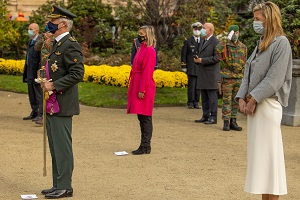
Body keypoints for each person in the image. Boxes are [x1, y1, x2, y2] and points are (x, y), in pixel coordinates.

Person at [235, 2, 292, 200]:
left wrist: (254, 99)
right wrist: (241, 97)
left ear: (269, 19)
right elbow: (247, 74)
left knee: (270, 161)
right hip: (256, 107)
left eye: (258, 19)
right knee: (261, 162)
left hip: (267, 106)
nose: (255, 22)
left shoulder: (281, 43)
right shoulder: (261, 43)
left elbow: (274, 79)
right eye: (254, 18)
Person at [39, 5, 84, 198]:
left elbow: (77, 73)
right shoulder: (58, 43)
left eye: (53, 21)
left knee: (62, 146)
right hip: (53, 103)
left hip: (62, 102)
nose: (49, 23)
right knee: (55, 145)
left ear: (63, 23)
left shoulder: (70, 44)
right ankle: (58, 183)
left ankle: (65, 186)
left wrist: (54, 85)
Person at [127, 25, 156, 155]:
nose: (139, 35)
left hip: (144, 85)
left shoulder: (150, 50)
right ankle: (144, 144)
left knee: (145, 117)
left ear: (147, 35)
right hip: (138, 82)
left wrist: (142, 89)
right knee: (141, 117)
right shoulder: (141, 48)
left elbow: (148, 71)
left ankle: (146, 145)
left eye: (142, 33)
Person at [216, 25, 247, 131]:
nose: (235, 35)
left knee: (235, 101)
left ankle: (233, 121)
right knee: (226, 100)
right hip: (228, 77)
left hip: (238, 77)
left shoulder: (243, 46)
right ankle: (226, 122)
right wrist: (226, 40)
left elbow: (245, 61)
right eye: (233, 33)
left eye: (236, 32)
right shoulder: (225, 45)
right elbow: (217, 51)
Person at [194, 23, 220, 124]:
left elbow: (217, 58)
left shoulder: (216, 42)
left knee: (212, 97)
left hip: (211, 74)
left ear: (210, 30)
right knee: (204, 96)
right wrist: (197, 59)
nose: (202, 30)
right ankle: (205, 115)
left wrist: (202, 60)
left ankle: (213, 117)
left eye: (204, 28)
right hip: (203, 73)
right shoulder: (203, 41)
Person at [34, 21, 54, 125]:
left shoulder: (56, 37)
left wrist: (50, 38)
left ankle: (49, 115)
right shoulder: (43, 35)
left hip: (52, 68)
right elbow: (36, 47)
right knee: (43, 92)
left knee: (50, 93)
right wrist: (44, 38)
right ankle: (42, 115)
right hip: (43, 68)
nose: (47, 26)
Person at [22, 23, 42, 121]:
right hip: (29, 70)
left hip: (36, 71)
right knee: (31, 93)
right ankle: (34, 111)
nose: (29, 30)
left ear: (37, 30)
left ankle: (39, 112)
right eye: (29, 28)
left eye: (31, 29)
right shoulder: (31, 41)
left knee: (37, 93)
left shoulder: (39, 42)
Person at [181, 22, 202, 109]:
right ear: (192, 30)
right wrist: (184, 66)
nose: (197, 31)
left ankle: (196, 101)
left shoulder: (203, 41)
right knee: (192, 85)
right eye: (195, 29)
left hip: (200, 67)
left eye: (199, 29)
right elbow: (184, 54)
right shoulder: (188, 41)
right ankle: (190, 102)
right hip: (191, 66)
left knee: (198, 86)